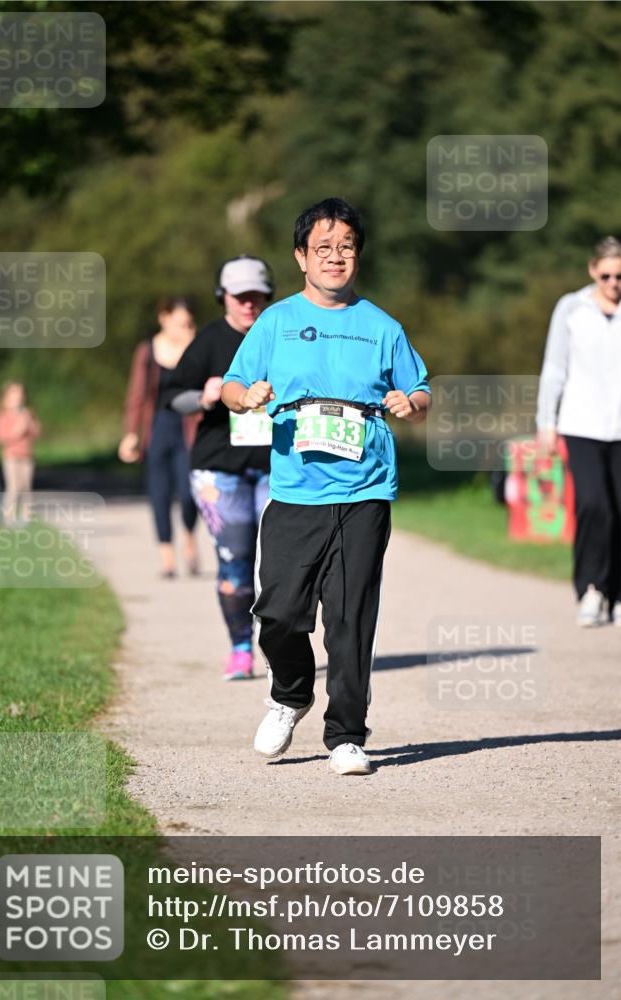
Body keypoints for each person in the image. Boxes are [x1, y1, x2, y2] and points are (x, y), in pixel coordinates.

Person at [221, 198, 431, 775]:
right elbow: (232, 387)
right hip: (296, 492)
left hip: (365, 489)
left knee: (350, 617)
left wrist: (409, 404)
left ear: (356, 255)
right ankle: (289, 693)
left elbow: (420, 391)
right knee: (280, 613)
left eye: (346, 247)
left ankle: (346, 735)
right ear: (301, 257)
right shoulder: (277, 322)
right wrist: (249, 396)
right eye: (323, 248)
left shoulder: (382, 327)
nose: (336, 257)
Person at [162, 257, 273, 680]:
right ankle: (240, 646)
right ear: (222, 297)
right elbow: (171, 397)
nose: (249, 303)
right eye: (240, 296)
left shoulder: (284, 334)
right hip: (218, 469)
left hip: (277, 465)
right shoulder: (208, 341)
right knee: (235, 559)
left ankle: (276, 646)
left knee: (279, 563)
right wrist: (204, 397)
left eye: (257, 295)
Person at [536, 235, 621, 627]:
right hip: (581, 423)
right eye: (606, 275)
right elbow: (555, 369)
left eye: (619, 276)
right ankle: (591, 588)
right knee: (593, 504)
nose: (613, 283)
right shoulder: (571, 308)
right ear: (593, 270)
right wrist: (546, 424)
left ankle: (616, 594)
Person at [119, 296, 199, 578]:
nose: (184, 327)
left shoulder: (195, 349)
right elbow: (137, 395)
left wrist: (192, 348)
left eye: (188, 323)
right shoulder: (147, 350)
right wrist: (131, 433)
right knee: (160, 494)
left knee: (190, 494)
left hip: (188, 429)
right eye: (179, 323)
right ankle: (167, 556)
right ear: (163, 319)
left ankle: (189, 535)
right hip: (158, 428)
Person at [0, 381, 41, 525]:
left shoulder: (27, 412)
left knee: (26, 487)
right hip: (11, 456)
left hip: (26, 455)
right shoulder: (3, 415)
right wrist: (18, 428)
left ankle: (26, 516)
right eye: (14, 393)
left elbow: (36, 433)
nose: (18, 396)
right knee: (13, 486)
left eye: (20, 393)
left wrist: (29, 421)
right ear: (6, 396)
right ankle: (8, 516)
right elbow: (0, 438)